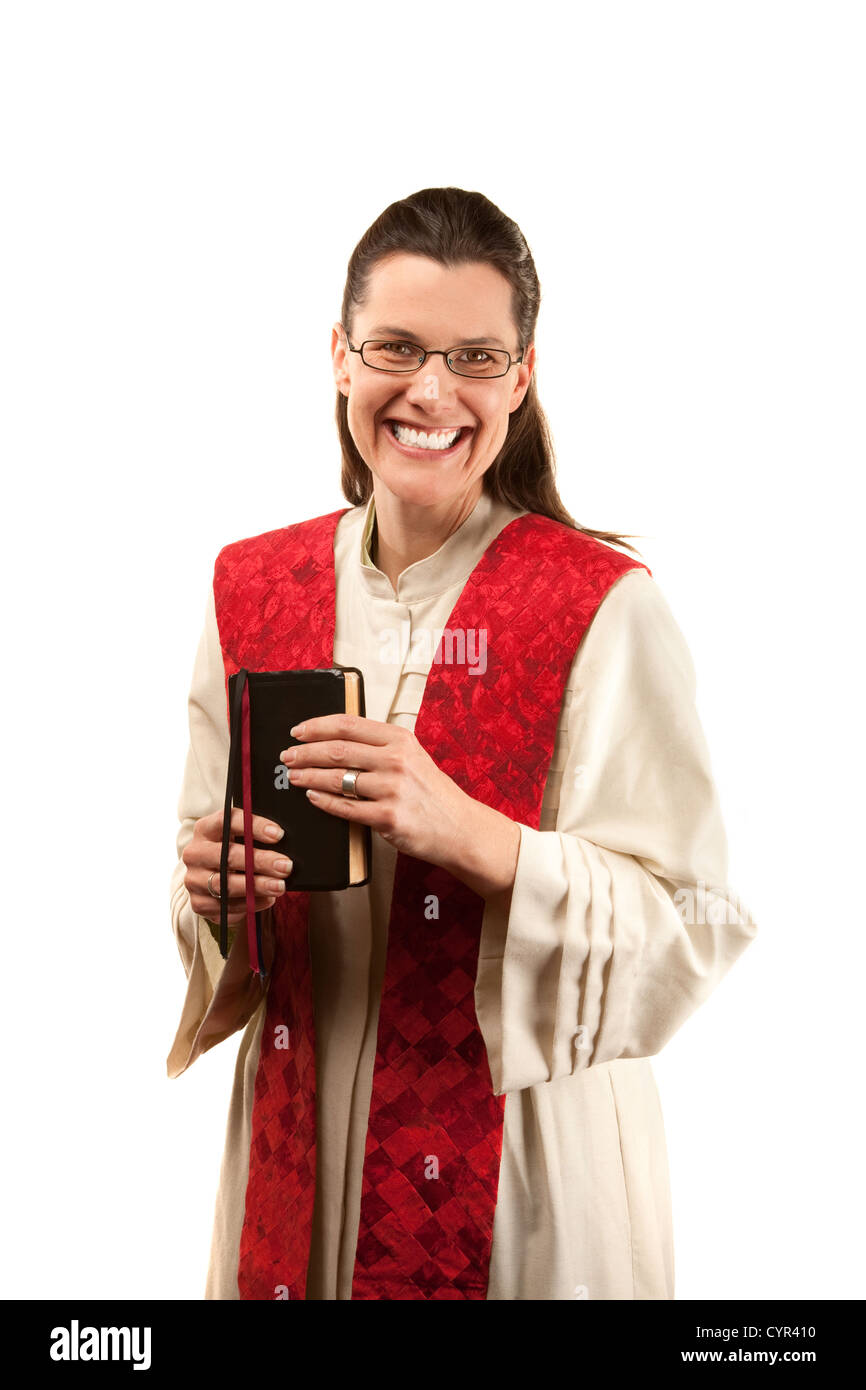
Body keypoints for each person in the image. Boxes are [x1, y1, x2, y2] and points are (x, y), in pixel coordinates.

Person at [167, 186, 757, 1301]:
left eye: (474, 357)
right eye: (395, 348)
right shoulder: (248, 585)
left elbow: (693, 925)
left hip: (523, 1169)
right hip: (297, 1143)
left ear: (519, 380)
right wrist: (213, 891)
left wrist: (479, 837)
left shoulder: (601, 603)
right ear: (340, 358)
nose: (429, 390)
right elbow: (216, 901)